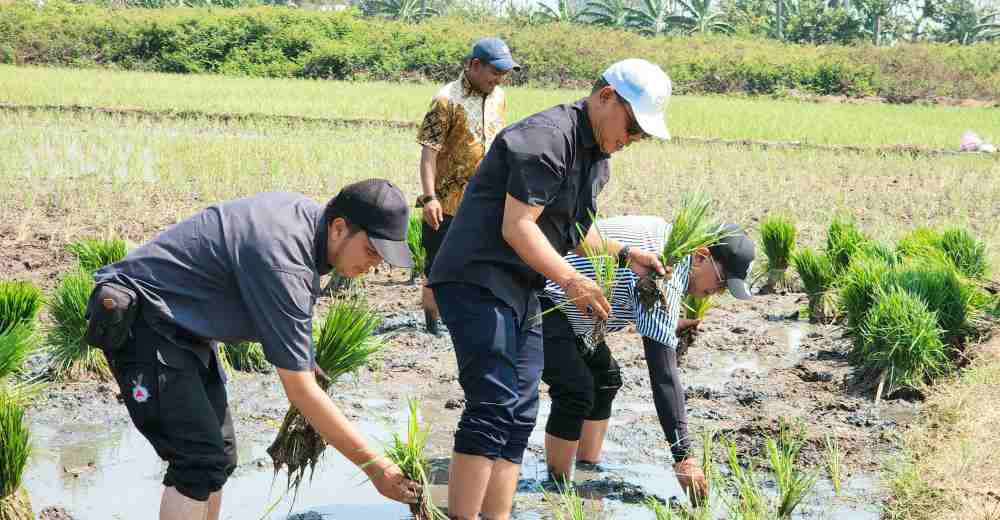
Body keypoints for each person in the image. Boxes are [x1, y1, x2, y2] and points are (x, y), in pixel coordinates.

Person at [84, 180, 422, 520]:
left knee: (221, 457)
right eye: (371, 250)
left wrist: (304, 357)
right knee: (198, 460)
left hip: (184, 329)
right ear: (339, 228)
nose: (374, 265)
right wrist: (375, 468)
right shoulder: (285, 259)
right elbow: (301, 392)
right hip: (144, 317)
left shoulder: (305, 228)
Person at [428, 59, 673, 520]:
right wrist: (573, 280)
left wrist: (625, 254)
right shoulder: (546, 139)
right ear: (605, 97)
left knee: (520, 409)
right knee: (493, 400)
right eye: (633, 125)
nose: (633, 139)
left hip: (523, 287)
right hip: (476, 278)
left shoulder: (595, 159)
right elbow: (518, 227)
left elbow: (574, 228)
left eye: (641, 133)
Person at [540, 217, 755, 504]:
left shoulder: (665, 237)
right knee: (576, 389)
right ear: (702, 256)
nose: (718, 293)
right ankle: (557, 487)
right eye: (721, 282)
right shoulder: (663, 272)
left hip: (572, 315)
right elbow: (663, 374)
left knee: (605, 379)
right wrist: (683, 456)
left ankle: (586, 473)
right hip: (540, 298)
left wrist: (670, 326)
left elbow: (629, 297)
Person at [415, 37, 518, 334]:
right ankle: (432, 325)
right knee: (437, 267)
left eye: (504, 74)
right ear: (475, 65)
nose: (499, 79)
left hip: (486, 199)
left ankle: (466, 320)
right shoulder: (446, 100)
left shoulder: (499, 96)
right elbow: (428, 153)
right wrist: (429, 198)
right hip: (447, 202)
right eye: (495, 72)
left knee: (480, 263)